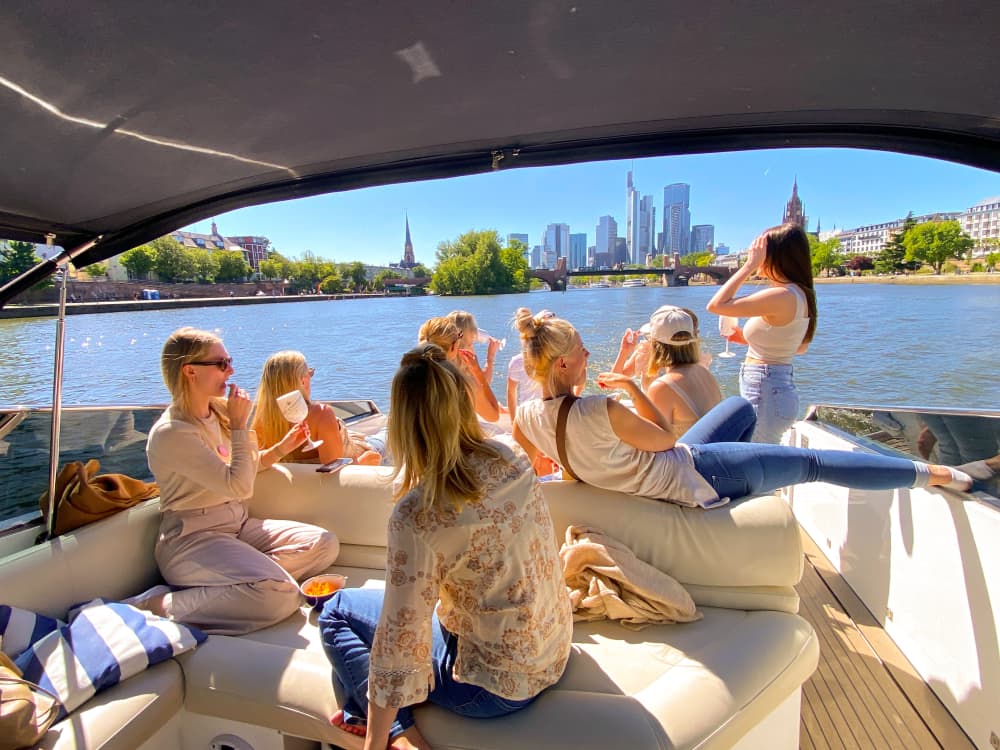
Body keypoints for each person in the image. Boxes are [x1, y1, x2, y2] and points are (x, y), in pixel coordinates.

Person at [318, 344, 572, 750]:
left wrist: (376, 739)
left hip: (492, 690)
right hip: (552, 651)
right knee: (352, 663)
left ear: (403, 421)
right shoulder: (513, 457)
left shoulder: (418, 513)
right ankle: (354, 708)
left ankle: (399, 733)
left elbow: (399, 638)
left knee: (336, 612)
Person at [510, 313, 987, 509]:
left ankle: (752, 474)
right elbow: (666, 442)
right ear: (566, 362)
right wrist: (635, 386)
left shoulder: (525, 418)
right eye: (585, 351)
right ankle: (936, 474)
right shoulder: (601, 408)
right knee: (811, 464)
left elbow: (547, 468)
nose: (591, 358)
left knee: (739, 406)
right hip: (684, 477)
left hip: (649, 472)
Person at [140, 327, 340, 635]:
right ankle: (156, 605)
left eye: (229, 361)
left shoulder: (214, 412)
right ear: (190, 371)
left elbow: (246, 468)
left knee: (325, 544)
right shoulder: (173, 433)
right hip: (194, 541)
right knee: (282, 595)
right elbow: (239, 486)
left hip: (236, 527)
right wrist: (237, 424)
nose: (231, 370)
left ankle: (249, 580)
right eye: (221, 363)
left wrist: (282, 448)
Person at [706, 224, 817, 443]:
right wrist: (747, 339)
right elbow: (799, 347)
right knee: (761, 454)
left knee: (755, 455)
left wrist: (748, 266)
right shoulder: (801, 294)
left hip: (766, 388)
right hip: (777, 386)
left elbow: (716, 305)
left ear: (775, 256)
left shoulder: (782, 295)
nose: (756, 256)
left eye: (760, 251)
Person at [251, 350, 381, 466]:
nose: (311, 376)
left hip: (355, 440)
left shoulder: (260, 420)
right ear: (302, 381)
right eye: (310, 373)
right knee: (387, 436)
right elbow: (334, 474)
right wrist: (364, 462)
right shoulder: (321, 414)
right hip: (363, 452)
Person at [637, 306, 722, 438]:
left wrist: (631, 389)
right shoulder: (703, 372)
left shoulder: (663, 387)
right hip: (712, 452)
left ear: (655, 343)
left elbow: (651, 440)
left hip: (689, 457)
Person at [447, 310, 502, 423]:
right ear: (469, 333)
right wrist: (490, 358)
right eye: (473, 328)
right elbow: (481, 384)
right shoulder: (465, 356)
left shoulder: (444, 354)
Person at [506, 308, 554, 421]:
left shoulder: (516, 362)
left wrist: (514, 423)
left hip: (527, 419)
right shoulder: (557, 359)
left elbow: (511, 393)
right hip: (551, 419)